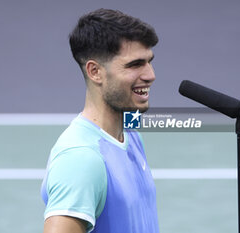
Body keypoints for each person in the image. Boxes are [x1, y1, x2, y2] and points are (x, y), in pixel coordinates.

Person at [40, 8, 159, 233]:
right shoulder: (81, 159)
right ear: (95, 72)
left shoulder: (129, 133)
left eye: (149, 62)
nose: (150, 75)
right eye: (135, 65)